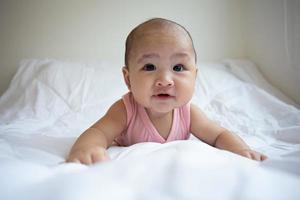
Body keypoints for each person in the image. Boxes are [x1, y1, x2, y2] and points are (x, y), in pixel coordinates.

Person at [67, 18, 267, 164]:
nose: (164, 80)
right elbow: (98, 132)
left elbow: (218, 135)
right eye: (150, 67)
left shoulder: (189, 113)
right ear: (128, 80)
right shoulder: (125, 110)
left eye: (178, 68)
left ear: (195, 77)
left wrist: (241, 150)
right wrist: (87, 148)